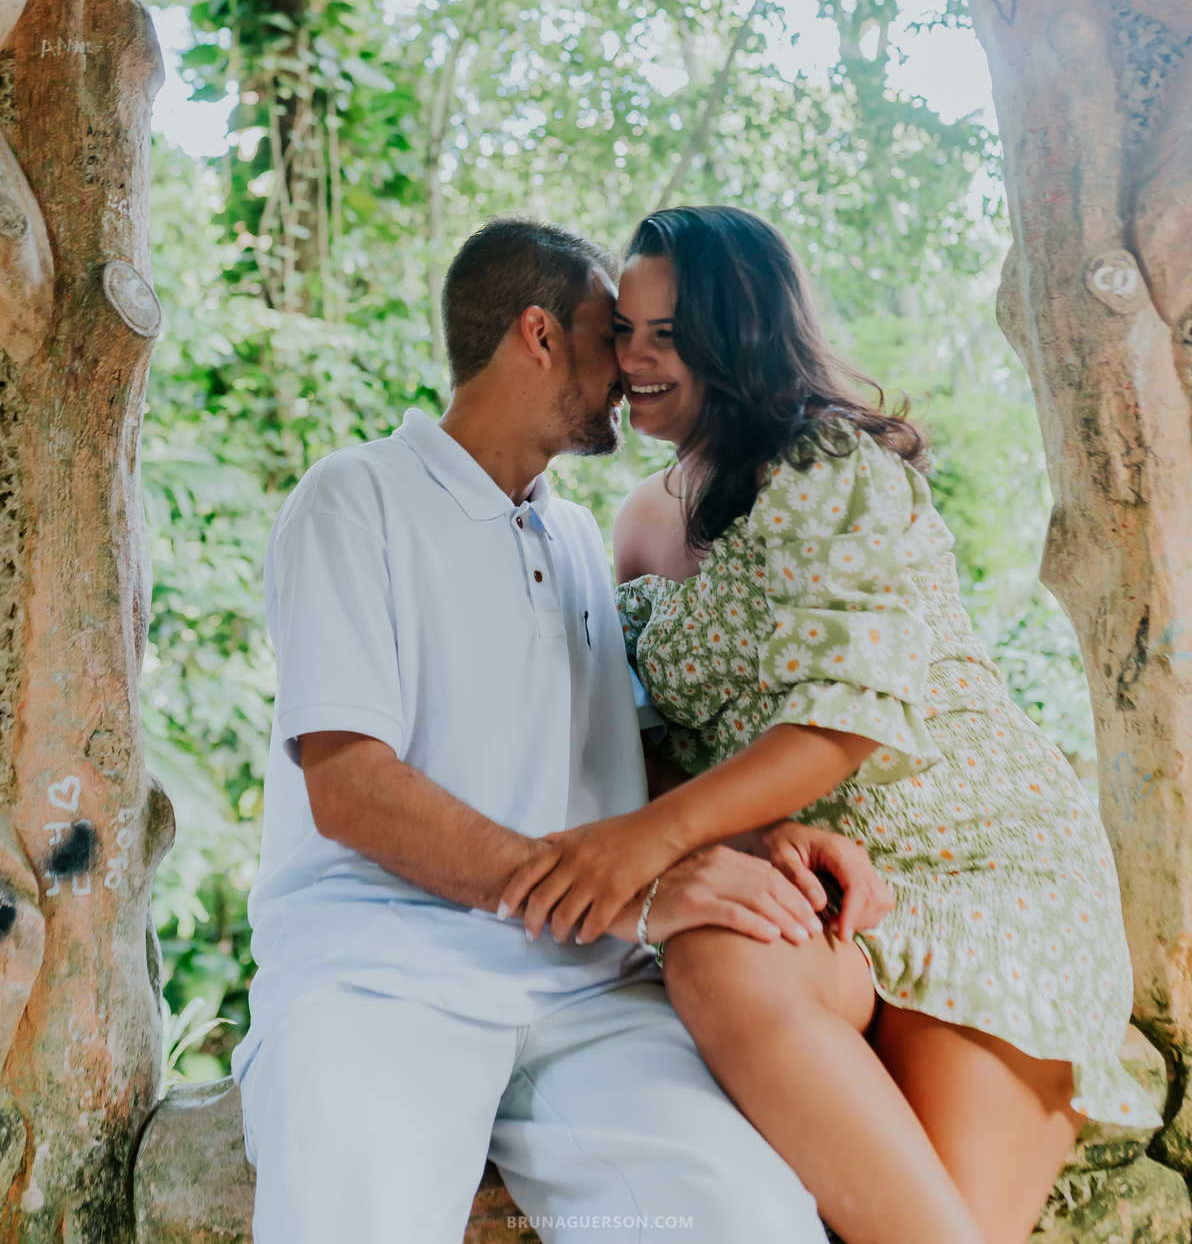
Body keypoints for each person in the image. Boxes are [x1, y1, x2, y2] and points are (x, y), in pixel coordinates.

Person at [499, 205, 1159, 1244]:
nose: (634, 358)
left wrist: (647, 843)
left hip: (977, 874)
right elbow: (647, 740)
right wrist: (735, 836)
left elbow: (839, 725)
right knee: (714, 954)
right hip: (810, 888)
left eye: (668, 333)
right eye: (624, 329)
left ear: (742, 329)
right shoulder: (634, 519)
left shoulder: (827, 467)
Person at [232, 214, 882, 1244]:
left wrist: (764, 839)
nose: (630, 364)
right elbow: (348, 782)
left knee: (746, 1218)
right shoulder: (354, 499)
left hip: (589, 993)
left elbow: (618, 764)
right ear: (538, 335)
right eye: (606, 331)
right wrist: (627, 888)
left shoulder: (576, 535)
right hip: (382, 980)